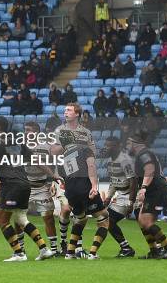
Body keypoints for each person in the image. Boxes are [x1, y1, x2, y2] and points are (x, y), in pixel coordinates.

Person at [0, 116, 56, 262]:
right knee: (21, 218)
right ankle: (44, 249)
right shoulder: (18, 142)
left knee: (1, 220)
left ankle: (19, 254)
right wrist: (53, 175)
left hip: (11, 185)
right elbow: (36, 160)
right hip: (25, 185)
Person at [51, 103, 109, 259]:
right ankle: (76, 248)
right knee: (75, 213)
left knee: (79, 215)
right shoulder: (60, 130)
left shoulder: (86, 132)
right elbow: (54, 151)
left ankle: (74, 250)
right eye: (65, 111)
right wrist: (65, 145)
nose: (65, 112)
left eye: (69, 110)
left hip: (80, 177)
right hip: (69, 176)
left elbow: (92, 153)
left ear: (77, 114)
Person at [128, 130, 167, 259]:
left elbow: (149, 170)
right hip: (153, 192)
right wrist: (132, 199)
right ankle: (155, 250)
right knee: (141, 219)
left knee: (146, 221)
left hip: (157, 190)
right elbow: (134, 181)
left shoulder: (144, 154)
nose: (127, 145)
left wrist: (143, 188)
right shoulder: (141, 156)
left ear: (136, 144)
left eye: (129, 143)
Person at [24, 122, 59, 254]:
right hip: (25, 188)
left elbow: (54, 165)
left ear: (37, 132)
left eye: (29, 130)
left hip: (42, 186)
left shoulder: (47, 147)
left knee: (48, 218)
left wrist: (53, 182)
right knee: (19, 218)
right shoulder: (21, 147)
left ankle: (54, 249)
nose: (26, 133)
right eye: (25, 130)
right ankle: (20, 250)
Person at [101, 137, 136, 257]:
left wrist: (131, 202)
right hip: (121, 195)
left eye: (109, 145)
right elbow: (114, 181)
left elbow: (133, 182)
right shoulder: (110, 161)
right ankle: (126, 248)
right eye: (105, 145)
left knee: (146, 223)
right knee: (108, 220)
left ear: (116, 146)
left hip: (130, 195)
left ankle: (160, 247)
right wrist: (108, 198)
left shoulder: (125, 160)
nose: (106, 148)